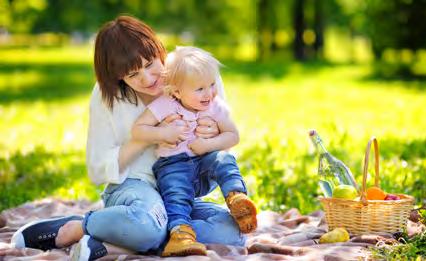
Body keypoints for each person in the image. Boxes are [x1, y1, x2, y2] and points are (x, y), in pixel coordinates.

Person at [10, 15, 246, 260]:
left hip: (179, 192)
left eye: (150, 63)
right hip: (134, 186)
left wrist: (212, 134)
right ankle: (82, 226)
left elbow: (225, 147)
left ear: (159, 49)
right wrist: (150, 137)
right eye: (132, 75)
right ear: (118, 77)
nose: (147, 79)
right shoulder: (106, 95)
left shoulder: (196, 71)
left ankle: (117, 240)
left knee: (233, 233)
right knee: (147, 226)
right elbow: (98, 169)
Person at [133, 46, 257, 257]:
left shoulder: (214, 106)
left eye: (211, 85)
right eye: (200, 89)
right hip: (172, 164)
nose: (209, 93)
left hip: (204, 163)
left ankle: (237, 199)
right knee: (176, 195)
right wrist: (165, 133)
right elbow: (138, 130)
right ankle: (181, 234)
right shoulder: (165, 104)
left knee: (224, 159)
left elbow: (233, 136)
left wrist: (209, 145)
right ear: (177, 92)